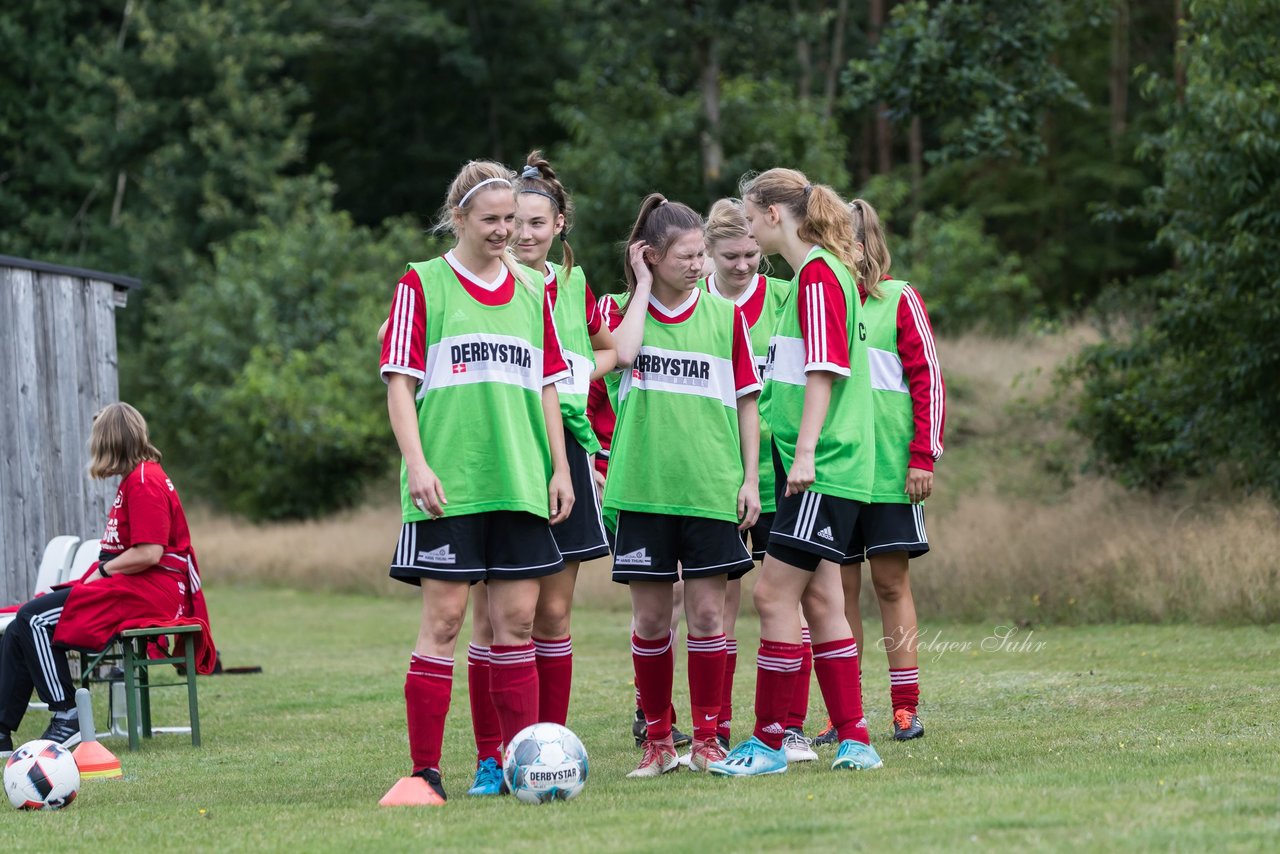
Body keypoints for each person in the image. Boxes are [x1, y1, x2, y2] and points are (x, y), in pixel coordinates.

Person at [378, 160, 574, 807]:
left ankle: (522, 768)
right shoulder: (423, 285)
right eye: (491, 220)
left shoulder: (531, 289)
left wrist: (559, 467)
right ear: (458, 217)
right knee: (445, 621)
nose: (504, 231)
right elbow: (399, 386)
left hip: (519, 481)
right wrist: (419, 465)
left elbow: (548, 385)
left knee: (516, 623)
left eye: (511, 220)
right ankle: (424, 771)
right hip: (450, 485)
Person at [709, 168, 883, 777]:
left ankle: (768, 742)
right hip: (825, 465)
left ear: (774, 216)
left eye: (751, 218)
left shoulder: (814, 277)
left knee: (772, 593)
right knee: (824, 598)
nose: (749, 230)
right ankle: (857, 739)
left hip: (820, 466)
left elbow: (824, 371)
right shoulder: (820, 274)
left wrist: (805, 452)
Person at [462, 151, 617, 797]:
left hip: (565, 460)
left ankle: (545, 749)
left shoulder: (573, 286)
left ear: (558, 226)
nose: (523, 234)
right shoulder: (477, 281)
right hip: (498, 461)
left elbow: (608, 352)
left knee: (552, 615)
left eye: (536, 223)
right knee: (492, 622)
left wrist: (572, 391)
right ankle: (489, 757)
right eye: (514, 222)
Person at [605, 193, 762, 777]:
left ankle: (708, 740)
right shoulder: (622, 312)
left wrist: (749, 479)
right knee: (649, 622)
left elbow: (748, 403)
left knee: (706, 618)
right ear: (650, 257)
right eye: (686, 257)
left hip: (709, 490)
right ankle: (658, 743)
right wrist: (642, 285)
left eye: (702, 255)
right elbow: (622, 357)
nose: (699, 266)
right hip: (643, 491)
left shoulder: (726, 318)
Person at [0, 403, 216, 756]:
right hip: (132, 587)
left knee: (33, 620)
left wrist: (103, 571)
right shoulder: (136, 478)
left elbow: (150, 553)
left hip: (148, 592)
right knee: (20, 625)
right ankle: (1, 732)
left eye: (98, 441)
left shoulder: (145, 482)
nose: (94, 449)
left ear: (112, 442)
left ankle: (67, 716)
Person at [813, 198, 945, 745]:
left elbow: (927, 380)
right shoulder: (820, 301)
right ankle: (844, 714)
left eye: (846, 237)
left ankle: (905, 707)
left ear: (865, 244)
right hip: (838, 472)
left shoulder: (899, 298)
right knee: (837, 594)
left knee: (890, 585)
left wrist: (922, 455)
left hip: (890, 473)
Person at [699, 199, 818, 761]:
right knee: (715, 608)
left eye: (751, 254)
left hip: (782, 475)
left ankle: (789, 726)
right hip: (717, 475)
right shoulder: (693, 305)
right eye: (731, 257)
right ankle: (714, 728)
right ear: (708, 255)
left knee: (790, 605)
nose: (746, 265)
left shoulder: (785, 299)